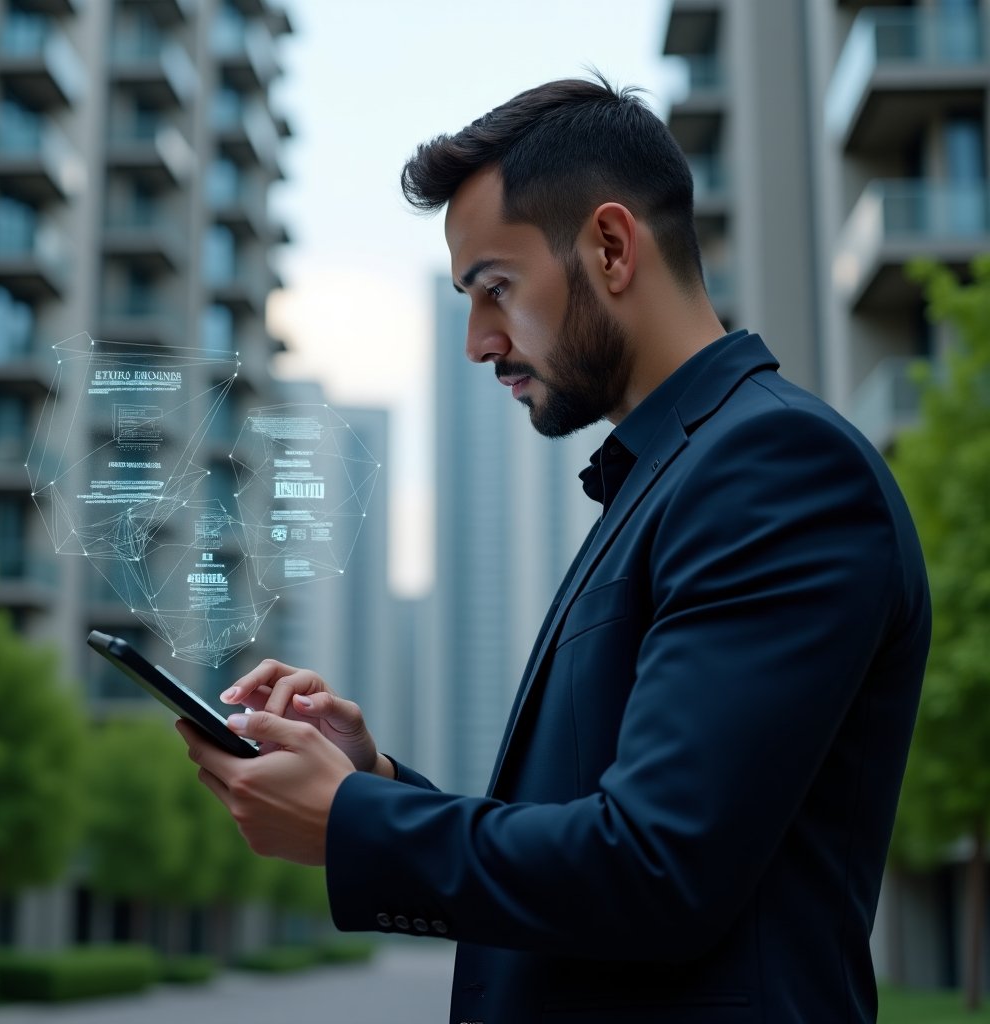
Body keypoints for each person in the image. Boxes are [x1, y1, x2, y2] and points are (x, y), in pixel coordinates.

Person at [179, 74, 931, 1023]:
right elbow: (597, 831)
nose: (478, 342)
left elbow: (657, 868)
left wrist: (353, 822)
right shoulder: (669, 476)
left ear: (611, 247)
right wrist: (371, 784)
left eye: (495, 288)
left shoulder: (773, 468)